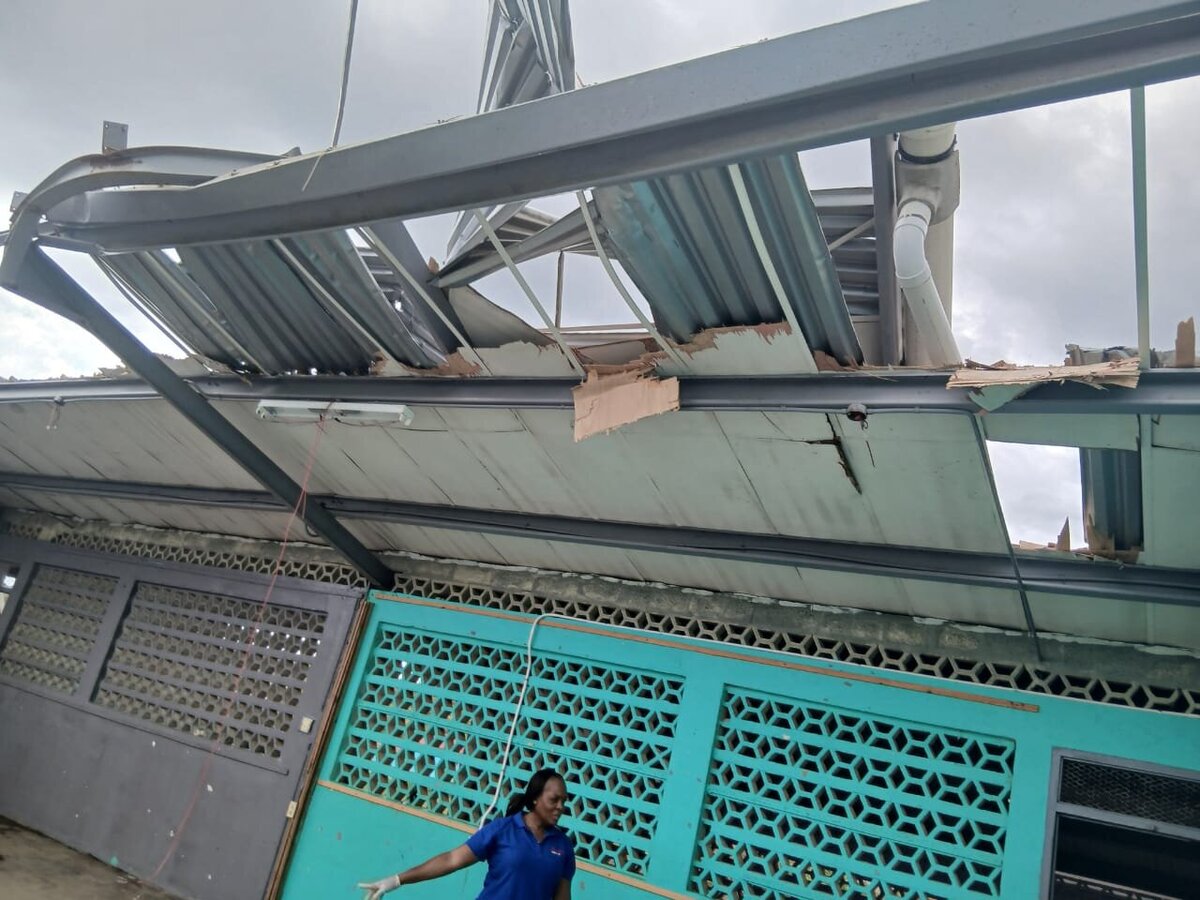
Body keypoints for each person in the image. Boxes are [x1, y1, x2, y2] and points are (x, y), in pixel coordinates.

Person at [357, 768, 575, 900]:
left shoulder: (563, 847)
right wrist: (396, 880)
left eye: (563, 801)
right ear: (535, 798)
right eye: (554, 799)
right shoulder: (503, 829)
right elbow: (451, 860)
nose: (560, 807)